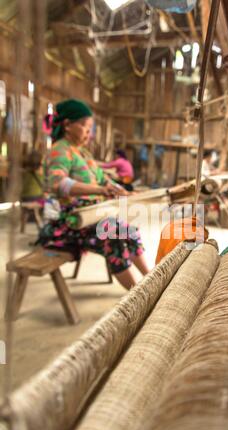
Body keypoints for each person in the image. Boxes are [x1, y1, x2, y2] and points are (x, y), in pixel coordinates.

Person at [38, 99, 150, 290]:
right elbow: (58, 183)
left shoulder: (83, 154)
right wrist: (100, 190)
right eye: (84, 125)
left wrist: (122, 190)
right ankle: (139, 295)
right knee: (113, 233)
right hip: (68, 222)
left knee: (128, 230)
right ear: (67, 125)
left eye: (90, 127)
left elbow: (103, 179)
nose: (88, 131)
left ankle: (151, 280)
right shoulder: (59, 151)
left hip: (89, 218)